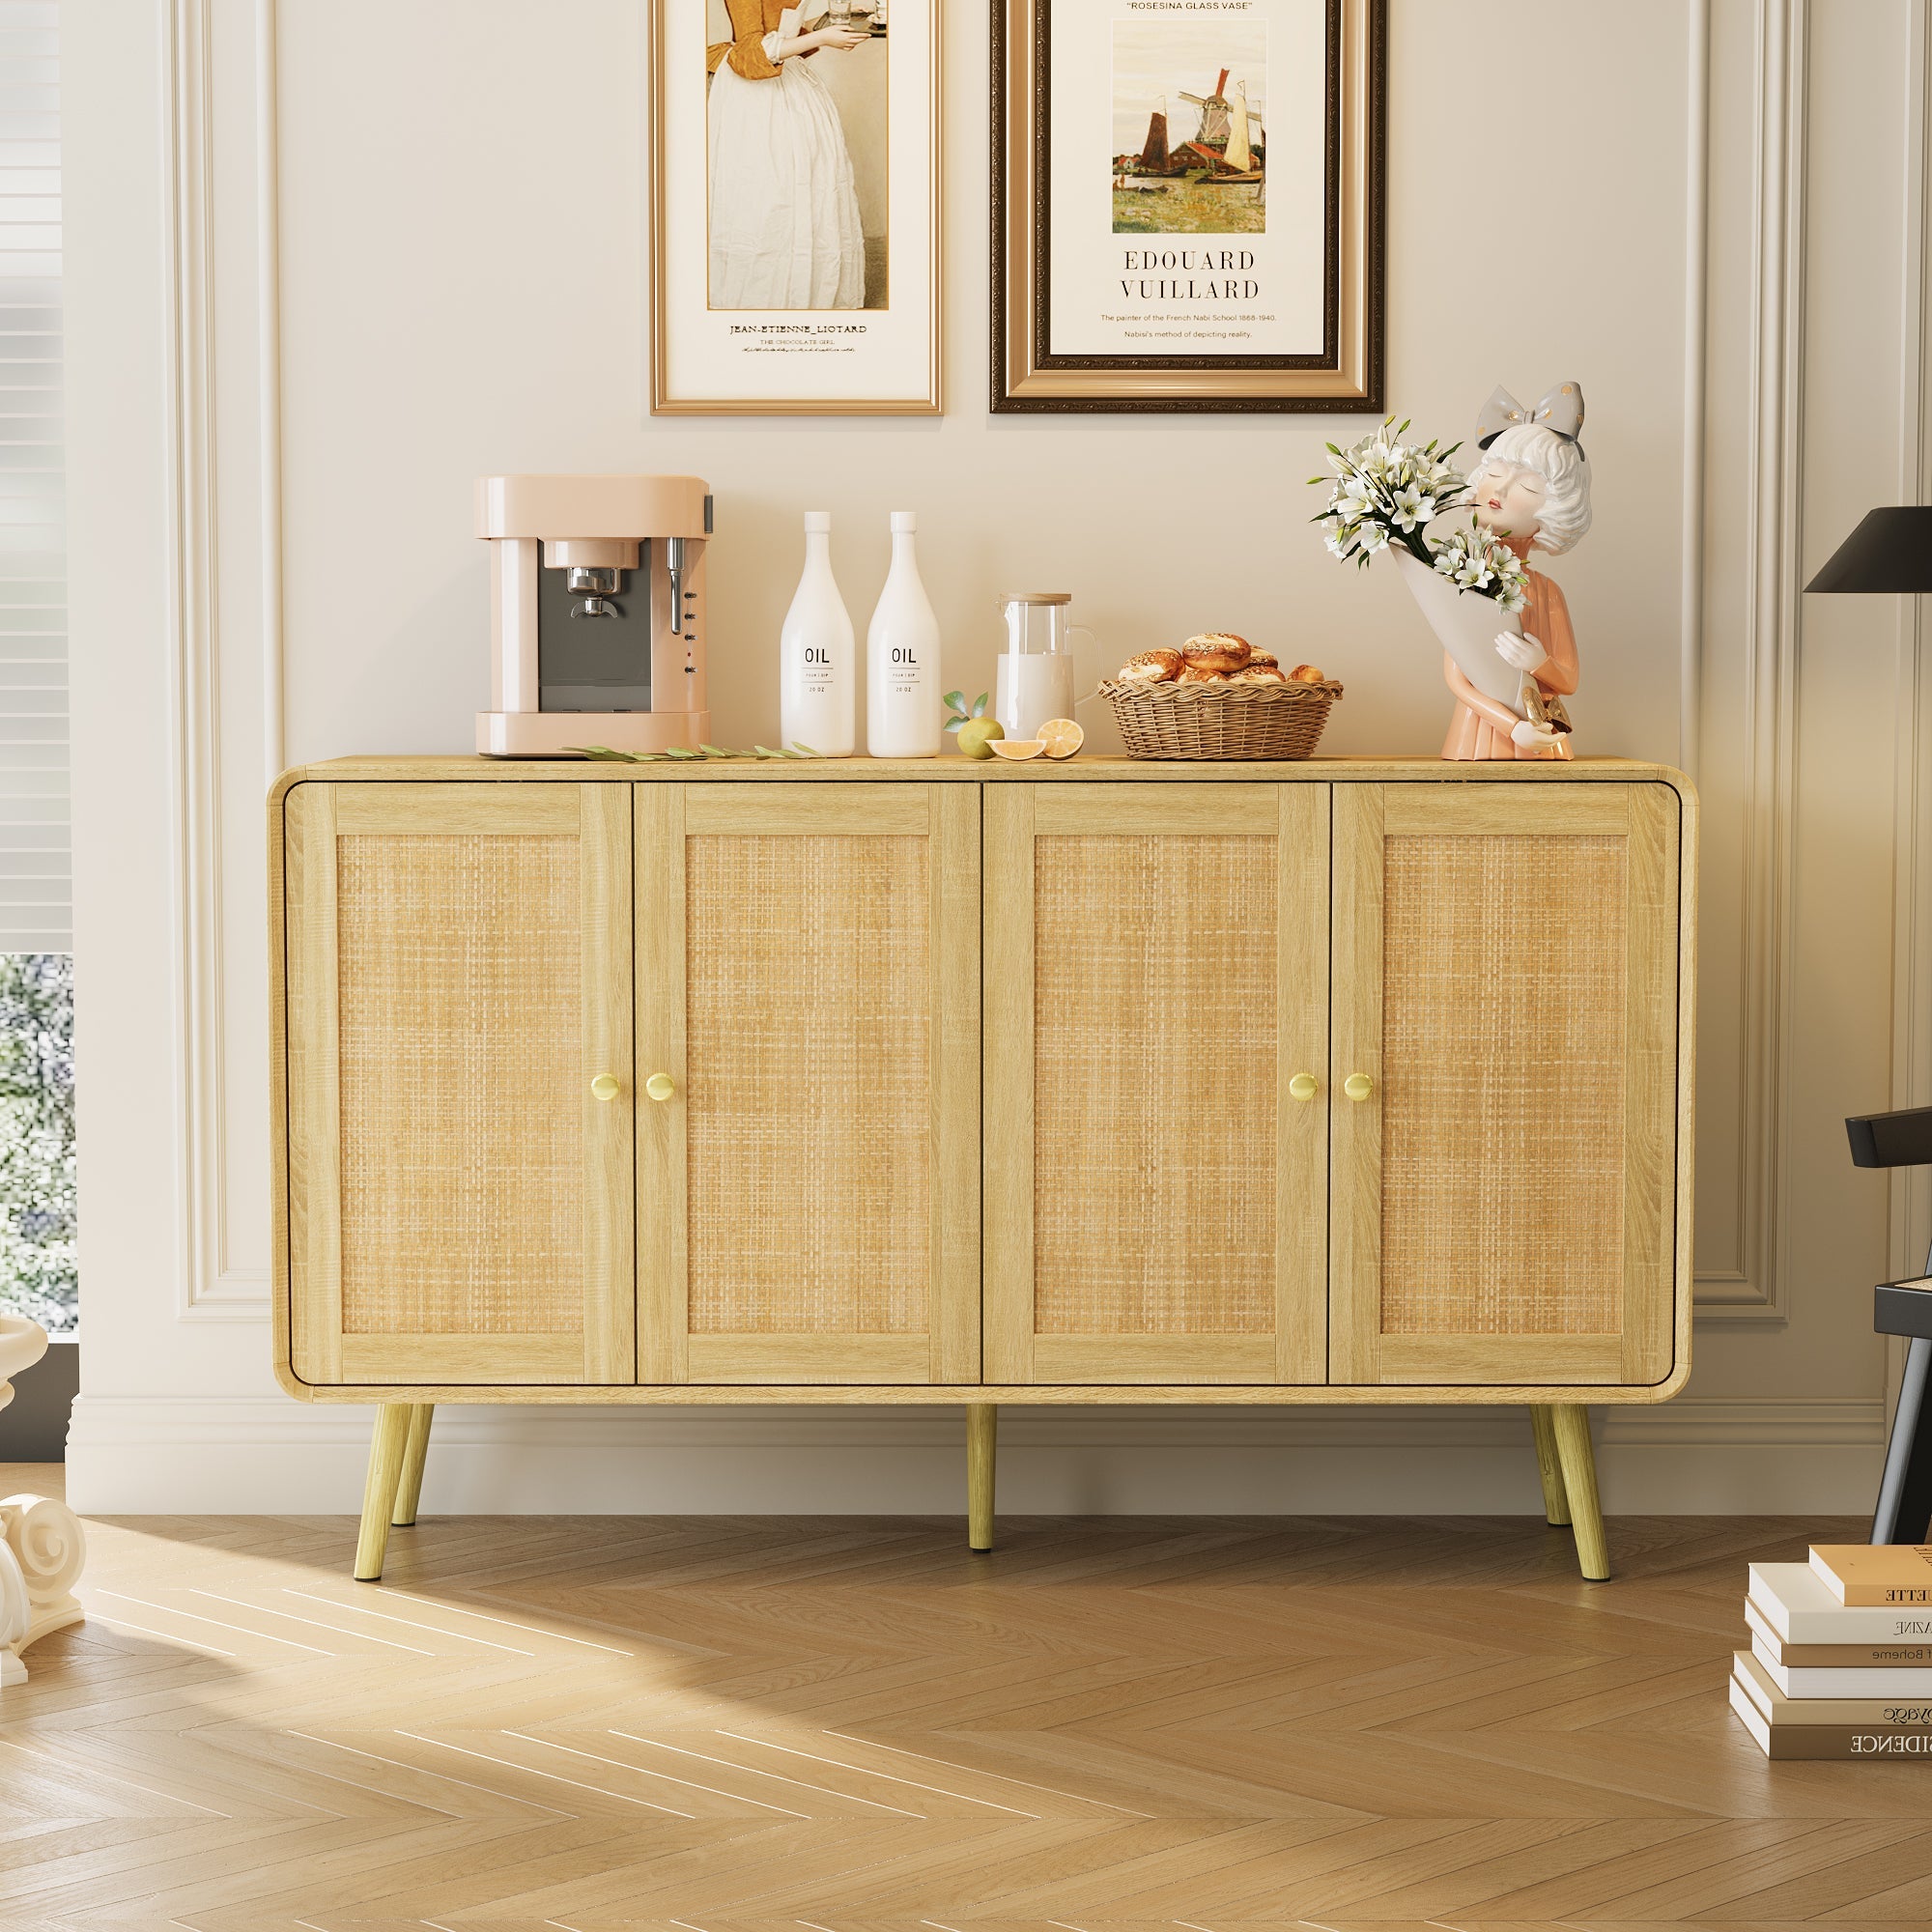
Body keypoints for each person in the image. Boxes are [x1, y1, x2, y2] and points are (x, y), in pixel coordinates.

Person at [1440, 389, 1593, 761]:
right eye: (1494, 473)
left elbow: (1569, 679)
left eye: (1528, 485)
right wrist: (1512, 728)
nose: (1502, 488)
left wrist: (1539, 662)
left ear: (1556, 511)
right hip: (1478, 738)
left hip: (1542, 738)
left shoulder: (1547, 593)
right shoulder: (1466, 579)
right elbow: (1457, 679)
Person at [707, 2, 870, 310]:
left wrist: (830, 21)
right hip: (757, 94)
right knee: (769, 190)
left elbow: (782, 31)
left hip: (792, 82)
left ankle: (803, 289)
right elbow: (753, 50)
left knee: (808, 184)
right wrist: (823, 38)